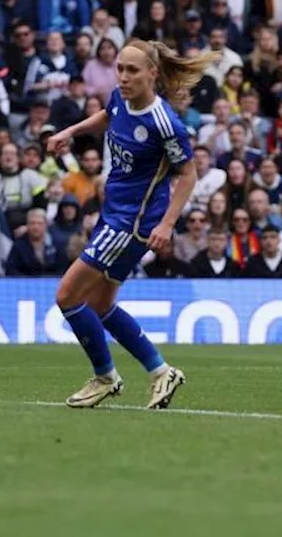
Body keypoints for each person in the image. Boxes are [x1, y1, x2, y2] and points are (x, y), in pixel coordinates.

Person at [45, 39, 209, 409]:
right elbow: (108, 116)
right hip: (114, 214)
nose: (122, 76)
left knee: (67, 296)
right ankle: (159, 370)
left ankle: (105, 376)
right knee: (101, 304)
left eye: (132, 70)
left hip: (130, 224)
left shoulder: (164, 122)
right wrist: (70, 132)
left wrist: (167, 225)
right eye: (119, 68)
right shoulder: (121, 98)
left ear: (153, 73)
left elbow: (188, 175)